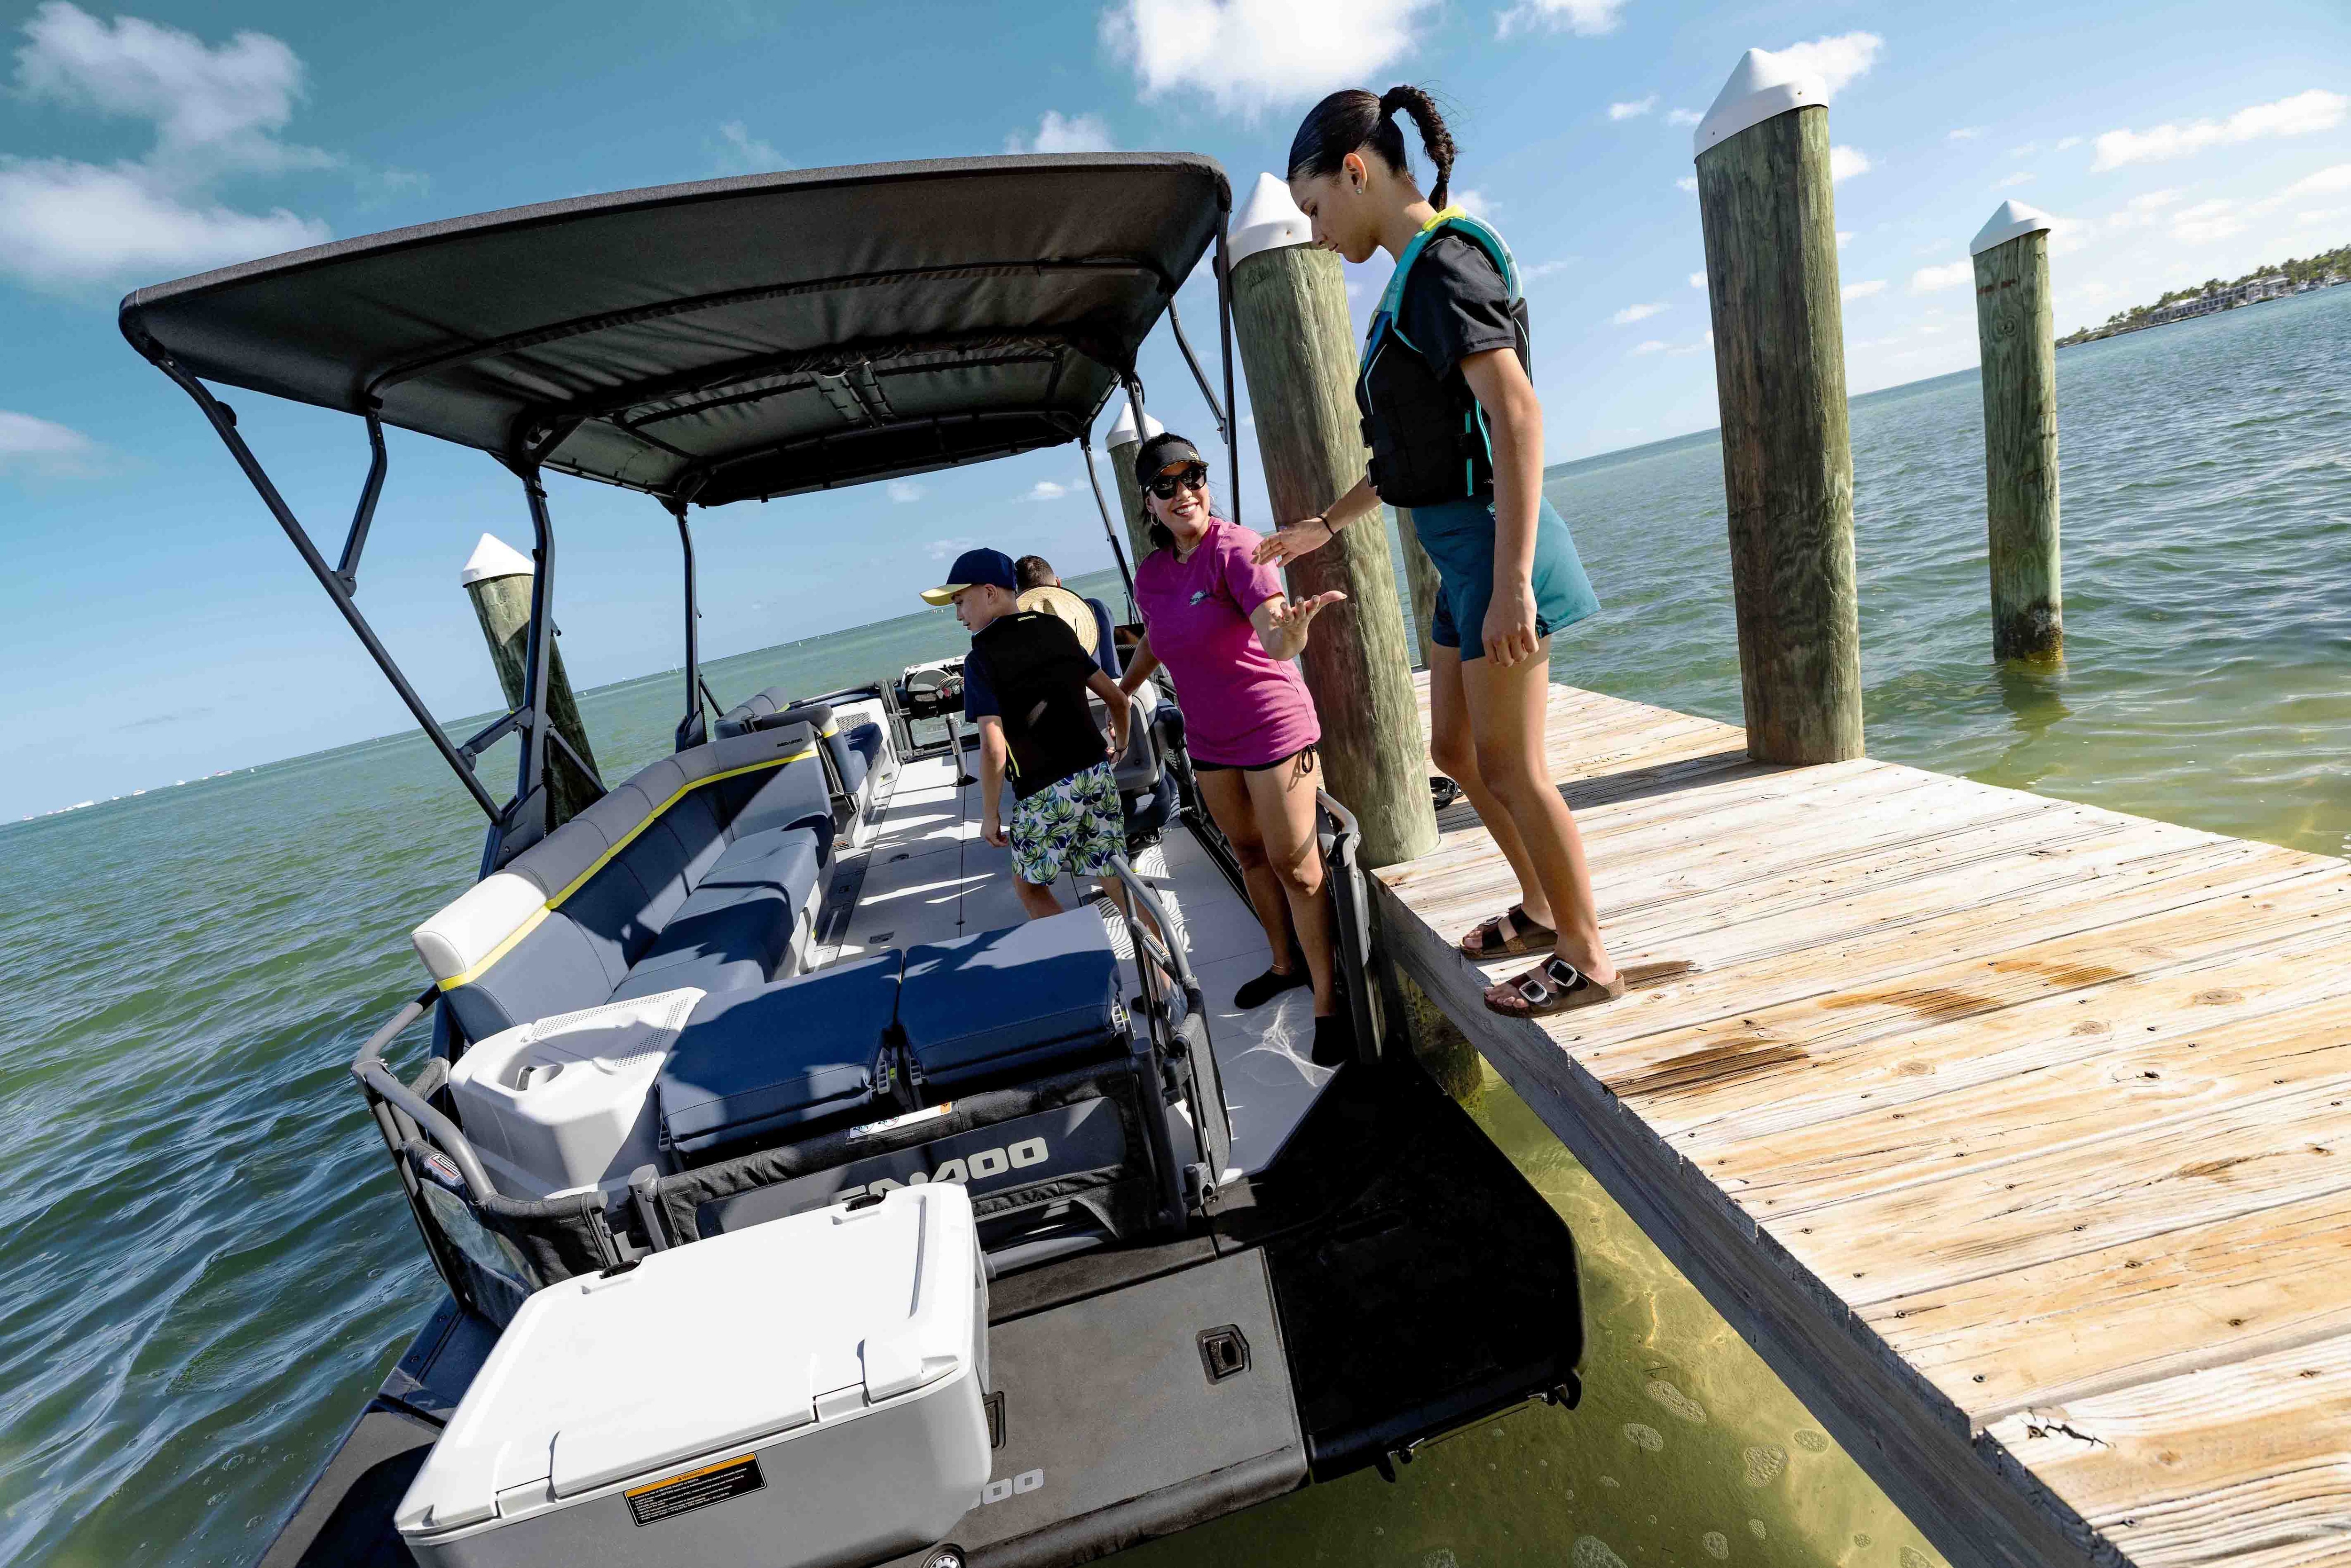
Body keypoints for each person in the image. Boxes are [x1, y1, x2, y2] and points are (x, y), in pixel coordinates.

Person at [1260, 85, 1621, 1019]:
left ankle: (1587, 955)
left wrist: (1509, 586)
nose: (1314, 232)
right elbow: (1410, 457)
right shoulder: (1410, 278)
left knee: (1513, 766)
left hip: (1501, 554)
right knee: (1456, 750)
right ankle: (1544, 908)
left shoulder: (1443, 266)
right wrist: (1322, 526)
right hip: (1464, 559)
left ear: (1356, 171)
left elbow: (1517, 413)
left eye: (1314, 209)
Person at [1117, 433, 1354, 1063]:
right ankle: (1284, 964)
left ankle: (1330, 1001)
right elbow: (1157, 639)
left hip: (1273, 731)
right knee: (1248, 853)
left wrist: (1293, 635)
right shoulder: (1153, 573)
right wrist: (1123, 691)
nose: (1183, 492)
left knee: (1298, 866)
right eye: (1166, 484)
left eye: (1193, 476)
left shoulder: (1239, 548)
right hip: (1210, 739)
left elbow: (1276, 635)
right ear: (1148, 499)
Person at [922, 547, 1130, 920]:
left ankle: (1082, 964)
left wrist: (989, 815)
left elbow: (993, 747)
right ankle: (1168, 972)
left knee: (1030, 887)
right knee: (1114, 876)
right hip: (1097, 773)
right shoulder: (1057, 628)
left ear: (989, 593)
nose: (958, 615)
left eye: (960, 602)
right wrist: (1123, 743)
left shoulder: (980, 660)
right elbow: (1118, 699)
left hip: (1044, 789)